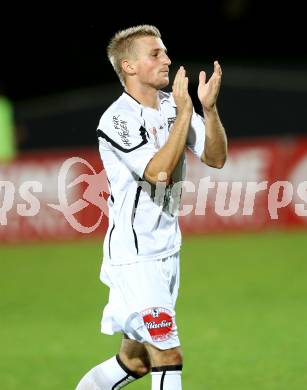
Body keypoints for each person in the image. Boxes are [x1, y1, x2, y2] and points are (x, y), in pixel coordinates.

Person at [76, 25, 227, 389]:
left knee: (135, 361)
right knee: (167, 355)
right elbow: (158, 172)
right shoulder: (117, 119)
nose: (167, 59)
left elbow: (216, 157)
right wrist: (183, 111)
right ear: (128, 66)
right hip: (135, 257)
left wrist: (208, 110)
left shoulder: (170, 107)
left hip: (166, 250)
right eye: (156, 54)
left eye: (165, 52)